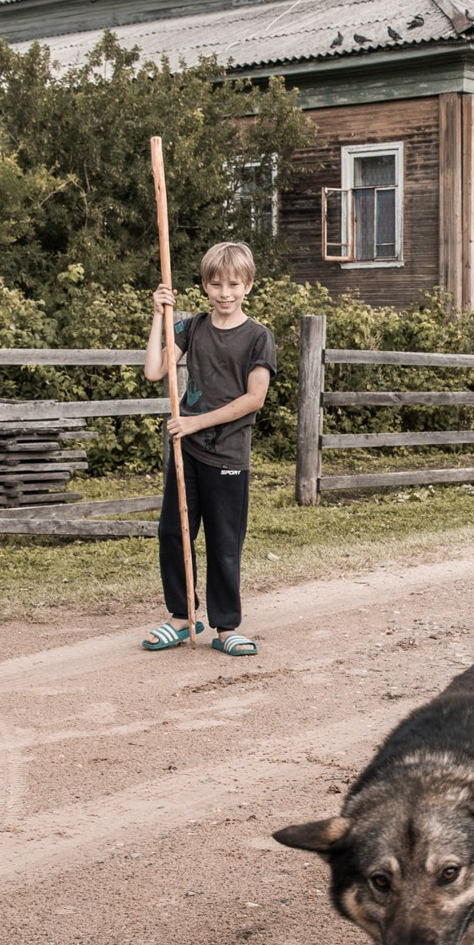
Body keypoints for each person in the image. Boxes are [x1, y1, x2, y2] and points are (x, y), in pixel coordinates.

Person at [141, 241, 276, 657]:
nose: (224, 292)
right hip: (188, 454)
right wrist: (158, 316)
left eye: (233, 284)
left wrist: (194, 421)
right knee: (173, 534)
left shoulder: (258, 337)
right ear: (204, 286)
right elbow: (154, 371)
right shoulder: (193, 327)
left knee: (224, 542)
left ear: (248, 285)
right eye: (215, 284)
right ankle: (181, 618)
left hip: (229, 456)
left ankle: (225, 626)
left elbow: (254, 399)